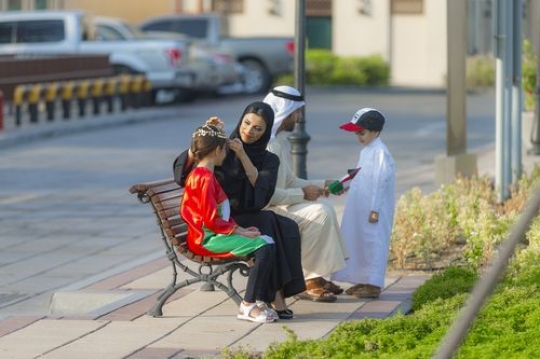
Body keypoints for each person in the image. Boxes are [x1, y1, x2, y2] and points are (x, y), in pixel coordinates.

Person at [173, 102, 306, 319]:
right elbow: (184, 174)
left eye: (258, 128)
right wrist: (207, 138)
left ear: (266, 131)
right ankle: (270, 298)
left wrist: (243, 155)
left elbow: (262, 194)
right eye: (247, 123)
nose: (249, 131)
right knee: (267, 226)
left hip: (236, 216)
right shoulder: (221, 149)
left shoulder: (268, 158)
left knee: (285, 225)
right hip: (219, 222)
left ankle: (271, 294)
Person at [181, 122, 277, 322]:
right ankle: (248, 305)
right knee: (264, 246)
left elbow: (217, 215)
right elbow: (210, 219)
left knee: (265, 241)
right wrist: (238, 231)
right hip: (206, 240)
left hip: (212, 234)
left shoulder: (204, 174)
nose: (226, 154)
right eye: (225, 149)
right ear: (217, 150)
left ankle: (257, 301)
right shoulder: (203, 178)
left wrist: (239, 229)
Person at [263, 85, 349, 303]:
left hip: (278, 205)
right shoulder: (267, 145)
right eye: (296, 112)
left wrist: (323, 185)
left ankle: (316, 277)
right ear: (284, 112)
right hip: (265, 212)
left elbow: (289, 180)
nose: (299, 118)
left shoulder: (276, 141)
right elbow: (269, 195)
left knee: (324, 208)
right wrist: (303, 193)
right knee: (319, 213)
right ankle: (305, 281)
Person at [330, 108, 396, 299]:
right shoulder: (367, 151)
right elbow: (358, 173)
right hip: (360, 207)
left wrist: (374, 209)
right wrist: (341, 184)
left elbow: (380, 181)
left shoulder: (381, 153)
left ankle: (373, 284)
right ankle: (362, 280)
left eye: (362, 132)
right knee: (358, 241)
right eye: (356, 133)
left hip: (372, 210)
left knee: (372, 242)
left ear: (375, 131)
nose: (358, 136)